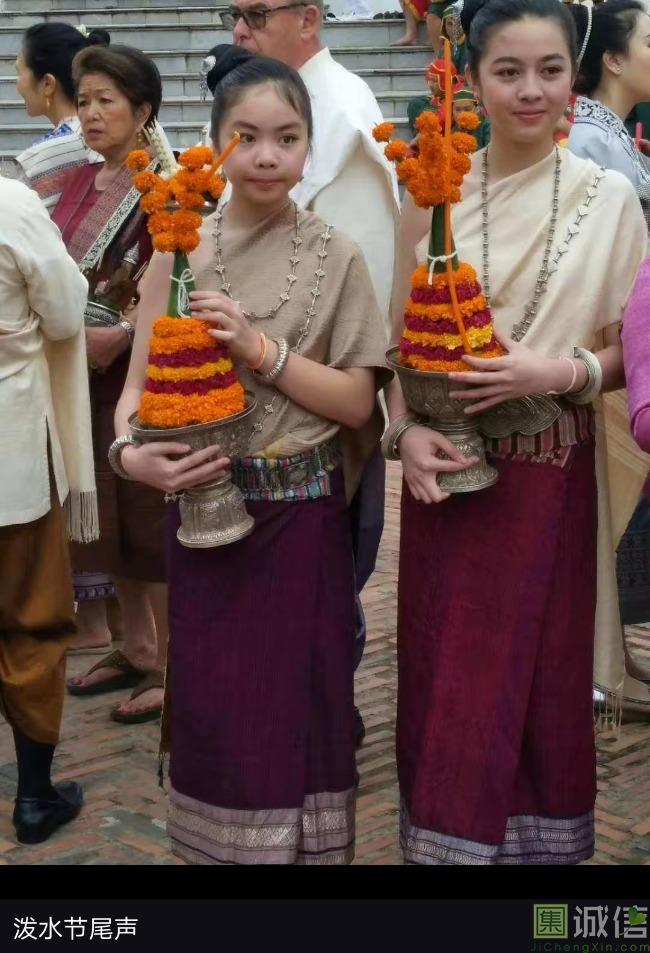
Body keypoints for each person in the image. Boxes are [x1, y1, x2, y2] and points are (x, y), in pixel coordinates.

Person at [112, 53, 389, 865]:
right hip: (203, 521)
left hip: (300, 524)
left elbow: (357, 404)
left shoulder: (338, 254)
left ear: (309, 148)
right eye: (247, 137)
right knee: (216, 706)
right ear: (216, 144)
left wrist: (260, 350)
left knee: (301, 704)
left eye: (288, 138)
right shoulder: (178, 250)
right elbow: (132, 400)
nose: (268, 155)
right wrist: (132, 459)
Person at [387, 0, 646, 864]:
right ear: (471, 79)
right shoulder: (432, 187)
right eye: (508, 71)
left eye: (549, 70)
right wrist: (403, 435)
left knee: (542, 681)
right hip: (447, 481)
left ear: (576, 76)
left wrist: (560, 373)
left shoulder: (611, 198)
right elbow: (397, 350)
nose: (531, 90)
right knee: (446, 681)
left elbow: (635, 352)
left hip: (550, 480)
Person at [221, 2, 400, 739]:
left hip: (315, 433)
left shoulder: (345, 120)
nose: (239, 29)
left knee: (315, 616)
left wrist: (264, 354)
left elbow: (357, 305)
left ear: (309, 18)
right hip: (228, 443)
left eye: (256, 12)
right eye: (233, 13)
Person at [52, 44, 169, 724]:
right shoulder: (78, 181)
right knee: (106, 513)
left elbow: (182, 276)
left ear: (142, 109)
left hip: (144, 372)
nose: (91, 114)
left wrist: (124, 332)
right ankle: (136, 645)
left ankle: (171, 664)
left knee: (148, 514)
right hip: (80, 370)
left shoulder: (171, 184)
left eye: (107, 101)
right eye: (84, 101)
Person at [0, 176, 94, 843]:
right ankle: (34, 797)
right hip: (10, 455)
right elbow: (64, 313)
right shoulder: (9, 204)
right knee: (30, 624)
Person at [568, 0, 650, 711]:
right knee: (610, 508)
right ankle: (602, 663)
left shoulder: (614, 136)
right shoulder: (593, 142)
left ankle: (614, 654)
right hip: (610, 339)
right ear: (614, 59)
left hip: (627, 339)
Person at [14, 22, 107, 213]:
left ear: (47, 84)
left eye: (19, 72)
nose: (18, 84)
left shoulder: (38, 159)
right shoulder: (111, 134)